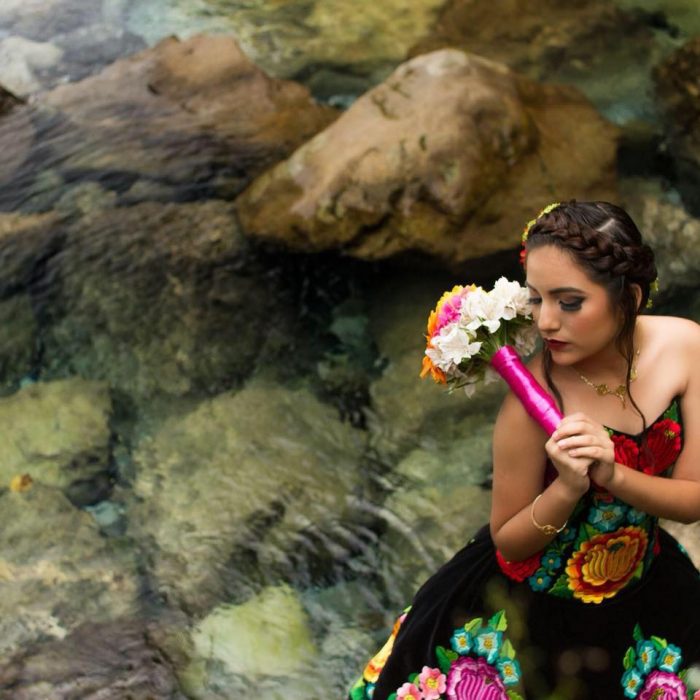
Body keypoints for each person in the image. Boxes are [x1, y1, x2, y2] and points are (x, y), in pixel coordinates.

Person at [349, 201, 700, 700]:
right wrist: (568, 487)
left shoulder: (686, 349)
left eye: (570, 302)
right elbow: (508, 540)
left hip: (645, 587)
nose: (547, 322)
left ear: (630, 296)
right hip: (527, 607)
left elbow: (694, 497)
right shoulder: (526, 406)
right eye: (536, 299)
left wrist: (616, 476)